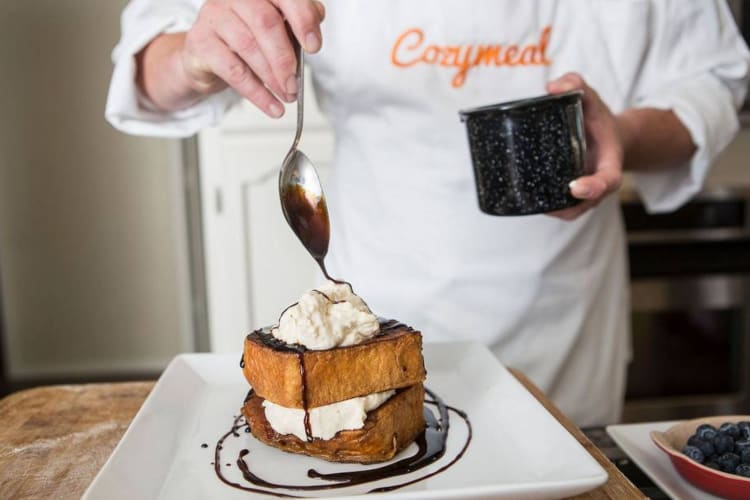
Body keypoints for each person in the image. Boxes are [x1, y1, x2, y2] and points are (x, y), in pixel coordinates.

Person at [106, 0, 750, 426]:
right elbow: (144, 73)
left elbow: (718, 80)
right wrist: (196, 56)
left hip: (564, 325)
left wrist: (623, 137)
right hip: (370, 319)